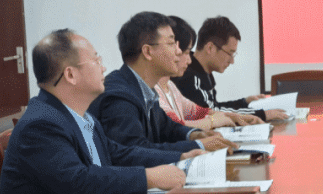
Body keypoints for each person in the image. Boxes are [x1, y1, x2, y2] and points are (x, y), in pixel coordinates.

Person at [0, 29, 191, 194]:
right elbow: (78, 181)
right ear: (70, 75)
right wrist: (148, 177)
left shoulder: (81, 116)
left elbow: (118, 153)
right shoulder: (41, 124)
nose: (104, 68)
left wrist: (182, 155)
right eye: (96, 60)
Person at [90, 12, 237, 155]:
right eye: (171, 43)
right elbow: (134, 152)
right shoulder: (120, 97)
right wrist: (198, 145)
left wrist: (195, 135)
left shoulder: (145, 88)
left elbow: (168, 128)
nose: (178, 51)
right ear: (148, 52)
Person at [173, 15, 291, 123]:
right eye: (230, 53)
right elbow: (212, 114)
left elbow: (214, 107)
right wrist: (262, 114)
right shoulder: (189, 76)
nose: (232, 61)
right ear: (210, 48)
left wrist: (244, 102)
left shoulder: (203, 72)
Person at [156, 16, 261, 129]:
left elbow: (196, 111)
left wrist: (233, 116)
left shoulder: (170, 86)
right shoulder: (154, 90)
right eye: (186, 52)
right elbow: (174, 127)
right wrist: (212, 121)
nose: (189, 60)